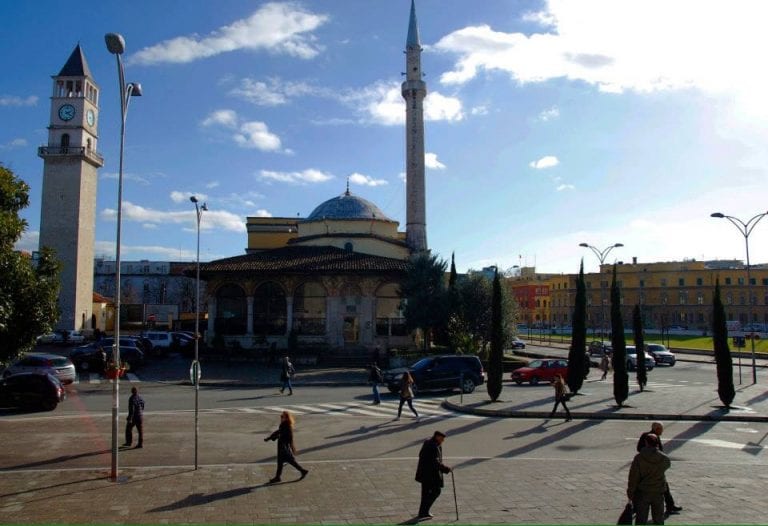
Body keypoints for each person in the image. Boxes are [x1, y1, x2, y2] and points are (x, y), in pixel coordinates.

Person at [637, 422, 682, 517]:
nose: (662, 430)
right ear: (656, 429)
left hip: (656, 467)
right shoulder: (647, 436)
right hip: (649, 467)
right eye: (661, 429)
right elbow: (639, 448)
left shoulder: (656, 436)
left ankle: (670, 505)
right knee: (644, 487)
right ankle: (637, 507)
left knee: (664, 487)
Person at [628, 432, 670, 525]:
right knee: (658, 519)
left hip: (643, 492)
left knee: (641, 519)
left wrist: (630, 492)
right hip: (658, 491)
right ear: (657, 443)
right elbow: (667, 466)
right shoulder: (664, 458)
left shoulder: (638, 458)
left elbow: (633, 477)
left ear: (646, 442)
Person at [415, 431, 452, 520]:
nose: (443, 441)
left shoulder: (428, 442)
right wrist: (446, 469)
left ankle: (423, 512)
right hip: (430, 475)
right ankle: (424, 511)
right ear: (437, 437)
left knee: (425, 494)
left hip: (424, 473)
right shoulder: (433, 446)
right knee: (436, 491)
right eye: (442, 439)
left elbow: (422, 455)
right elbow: (435, 462)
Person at [264, 411, 309, 483]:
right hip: (282, 446)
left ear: (287, 418)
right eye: (281, 416)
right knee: (281, 462)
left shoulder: (287, 426)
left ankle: (302, 471)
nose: (281, 417)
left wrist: (272, 438)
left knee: (289, 461)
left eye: (282, 416)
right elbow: (278, 432)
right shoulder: (284, 425)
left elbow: (283, 435)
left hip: (283, 447)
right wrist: (269, 438)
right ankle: (278, 477)